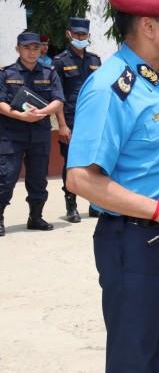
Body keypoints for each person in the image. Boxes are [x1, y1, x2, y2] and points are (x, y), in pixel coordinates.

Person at [65, 0, 159, 373]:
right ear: (148, 26)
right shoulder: (112, 89)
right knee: (133, 368)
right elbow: (81, 179)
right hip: (136, 246)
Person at [0, 32, 64, 236]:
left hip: (39, 133)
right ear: (18, 49)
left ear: (41, 49)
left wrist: (42, 112)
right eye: (27, 48)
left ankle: (36, 217)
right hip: (11, 134)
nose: (31, 51)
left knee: (38, 178)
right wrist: (20, 116)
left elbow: (58, 100)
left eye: (35, 48)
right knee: (6, 177)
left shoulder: (49, 72)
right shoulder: (6, 73)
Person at [52, 17, 102, 222]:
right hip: (71, 121)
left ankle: (94, 203)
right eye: (77, 34)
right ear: (69, 34)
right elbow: (58, 96)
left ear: (88, 36)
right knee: (70, 163)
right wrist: (62, 125)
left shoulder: (95, 60)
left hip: (93, 120)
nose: (80, 37)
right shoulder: (60, 61)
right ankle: (71, 205)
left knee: (95, 161)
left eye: (84, 34)